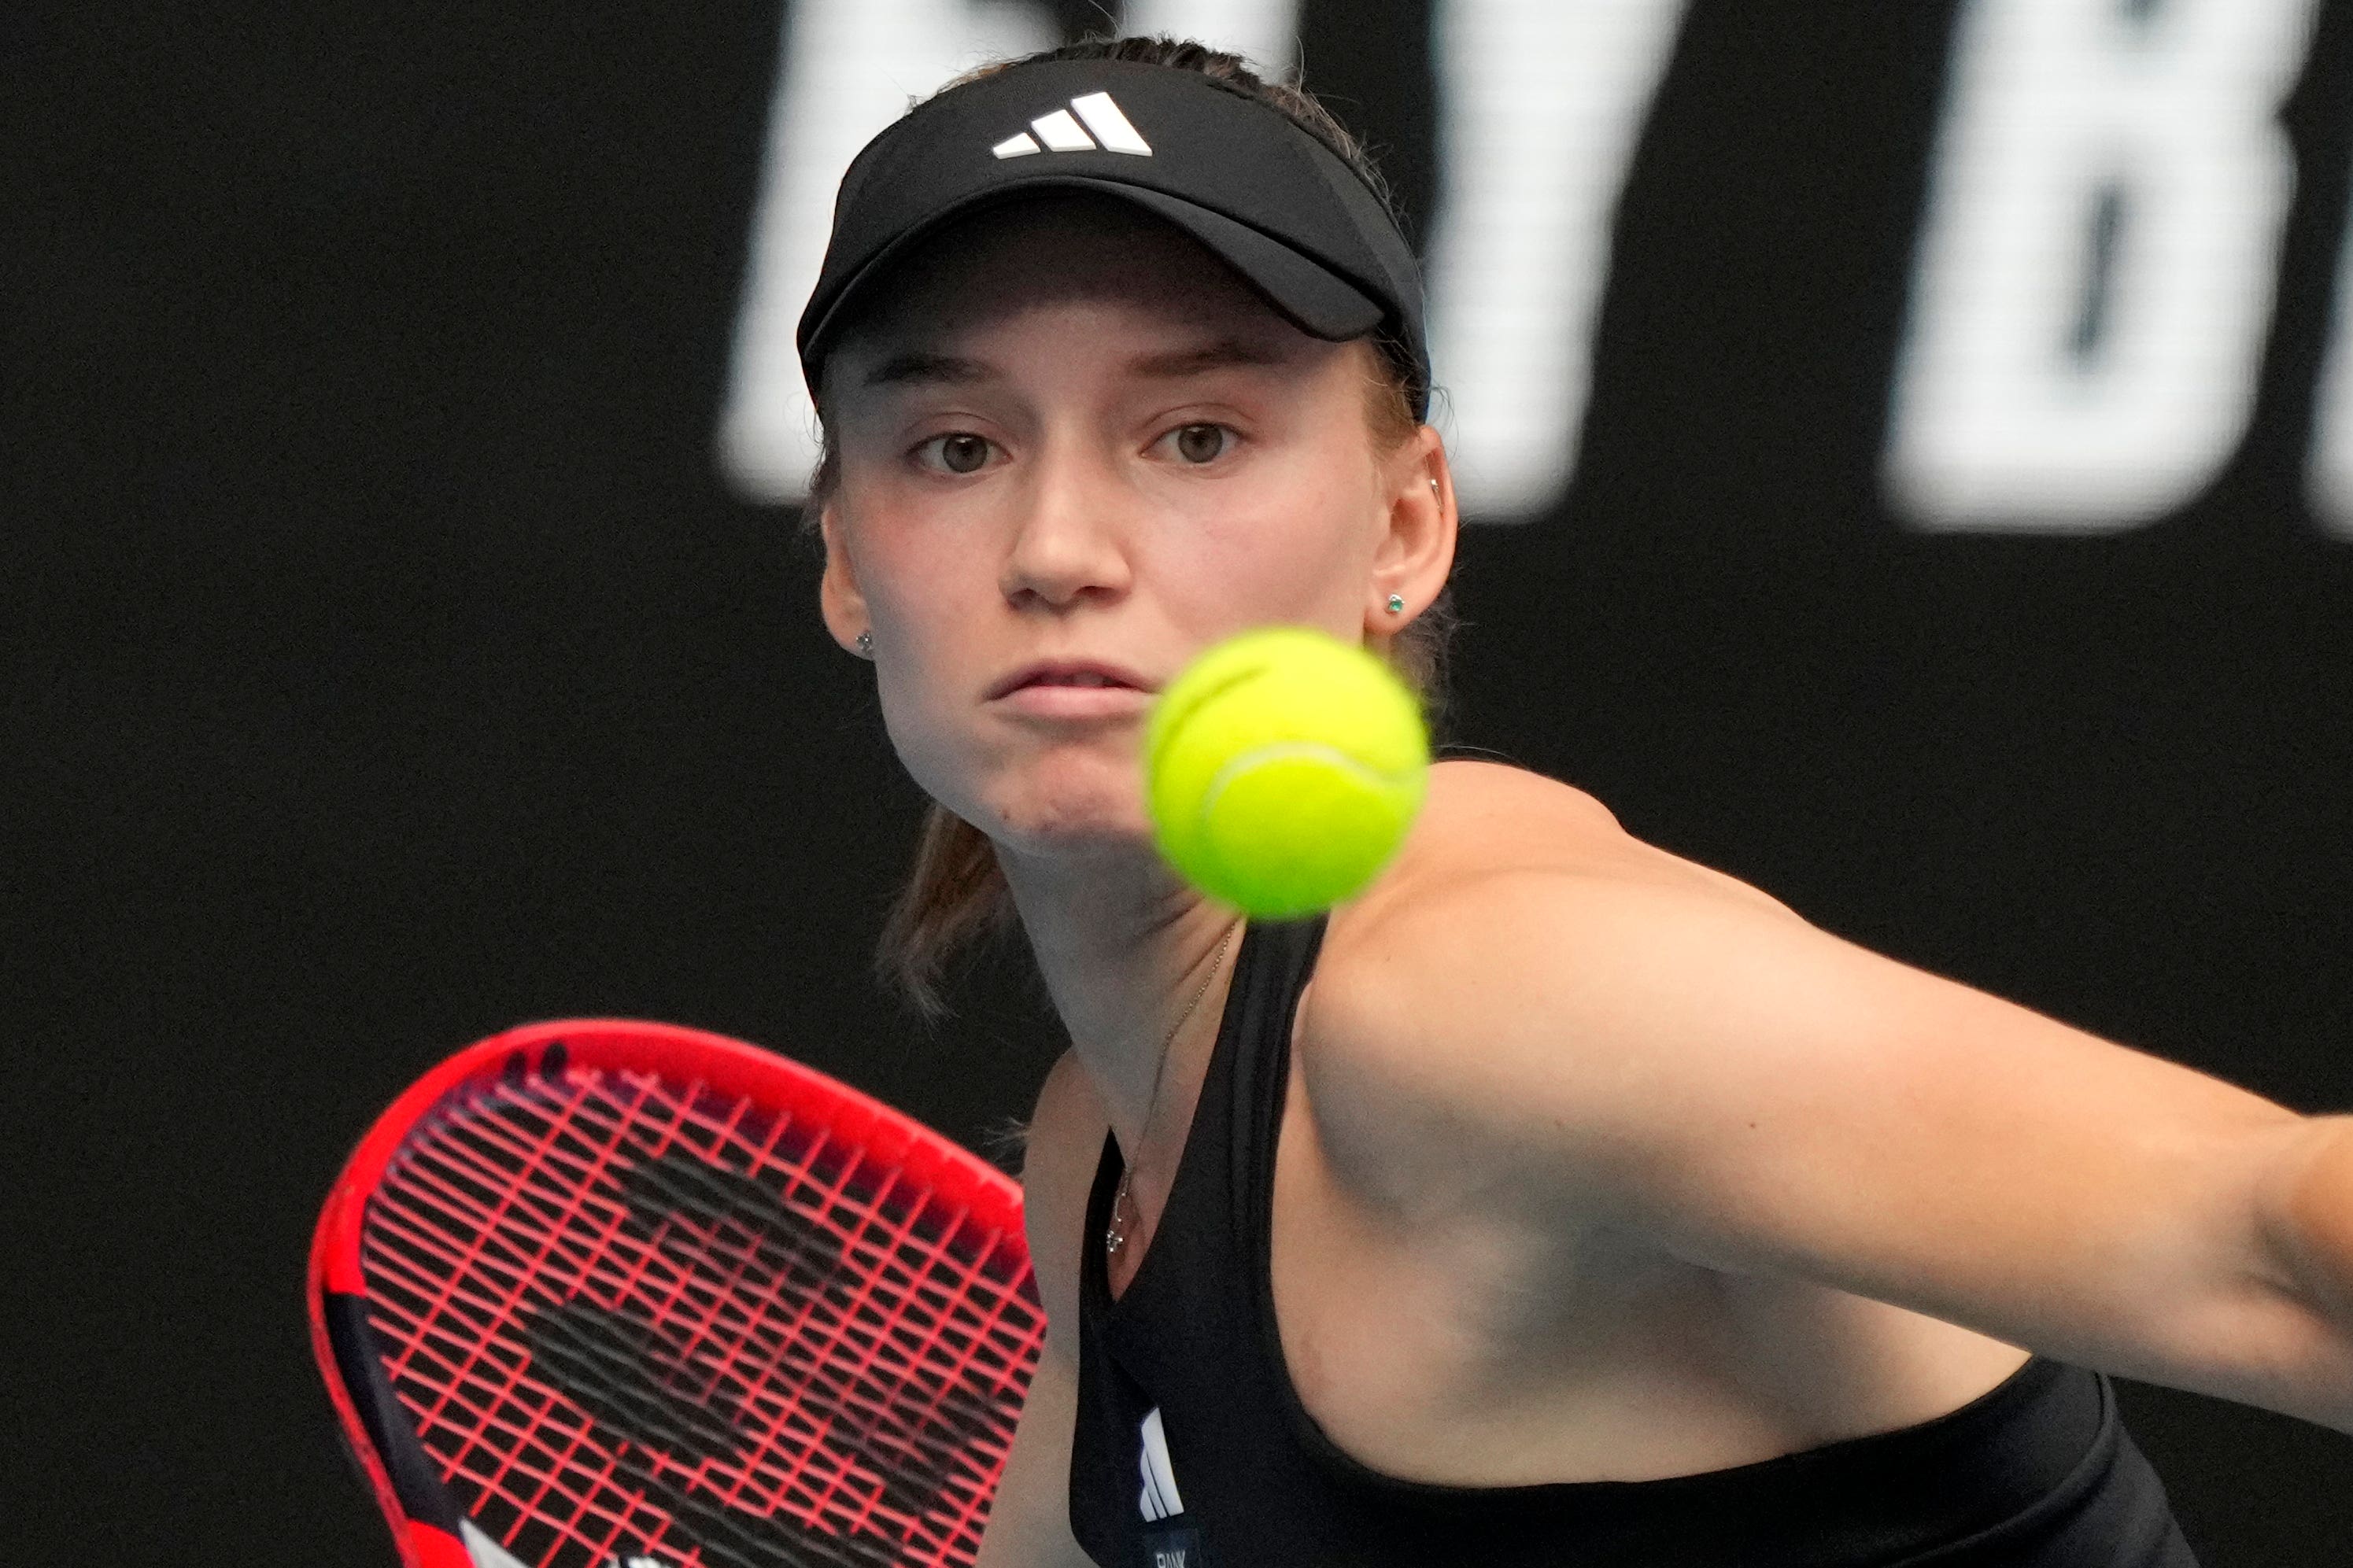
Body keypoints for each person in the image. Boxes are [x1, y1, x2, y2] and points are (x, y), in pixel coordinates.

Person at [792, 35, 2353, 1568]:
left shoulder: (1478, 999)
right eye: (956, 446)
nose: (1058, 545)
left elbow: (2274, 1237)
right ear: (850, 563)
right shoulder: (1099, 1165)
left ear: (1405, 526)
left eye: (1195, 435)